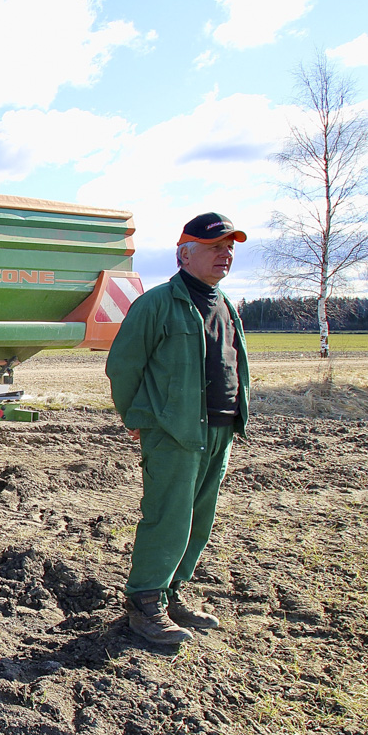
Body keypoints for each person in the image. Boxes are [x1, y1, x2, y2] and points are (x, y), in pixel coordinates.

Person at [105, 213, 251, 645]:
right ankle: (145, 602)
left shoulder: (223, 302)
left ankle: (171, 592)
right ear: (184, 254)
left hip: (219, 429)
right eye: (215, 247)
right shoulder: (157, 304)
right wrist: (139, 419)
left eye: (230, 248)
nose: (225, 255)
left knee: (198, 519)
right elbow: (123, 366)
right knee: (168, 518)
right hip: (174, 431)